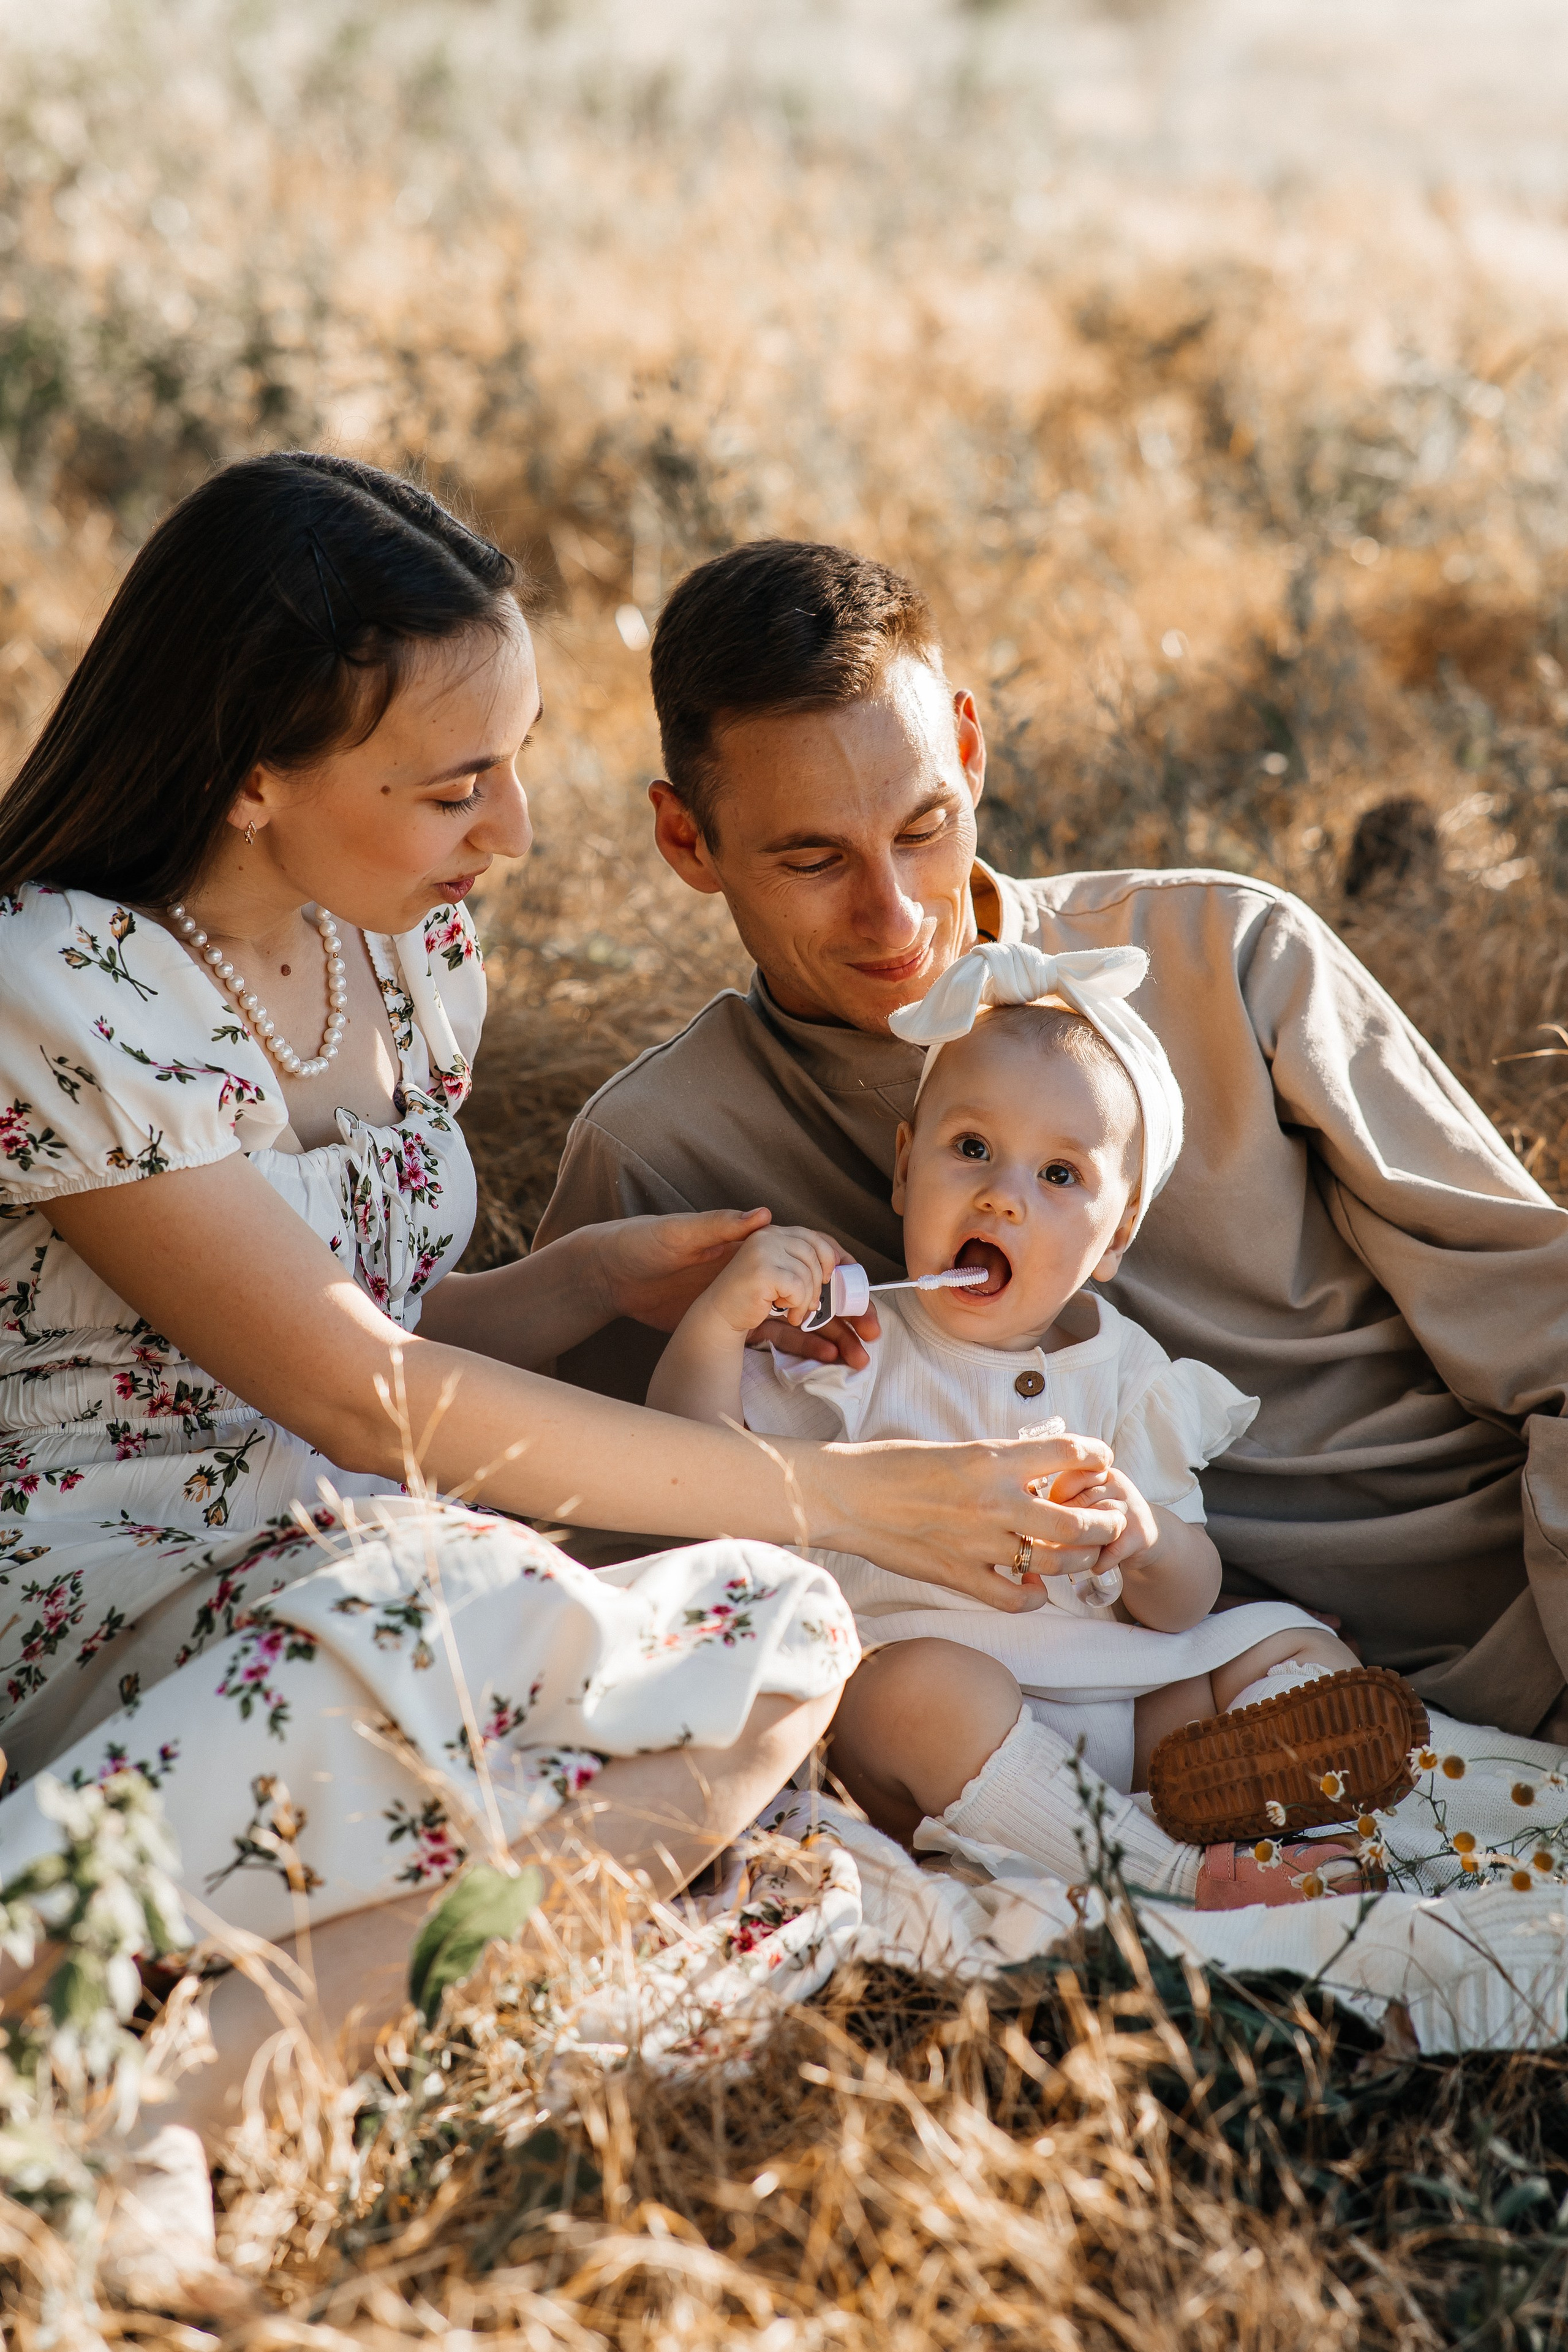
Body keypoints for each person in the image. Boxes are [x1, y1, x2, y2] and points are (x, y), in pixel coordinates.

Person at [0, 458, 1125, 2187]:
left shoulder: (396, 951)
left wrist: (586, 1284)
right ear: (250, 776)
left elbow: (343, 1316)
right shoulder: (59, 986)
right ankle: (94, 2024)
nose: (514, 831)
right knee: (512, 1600)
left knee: (781, 1638)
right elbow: (362, 1391)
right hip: (104, 1601)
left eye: (516, 761)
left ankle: (170, 2101)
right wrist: (840, 1495)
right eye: (458, 786)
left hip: (327, 1552)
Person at [533, 538, 1568, 1741]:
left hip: (1516, 1616)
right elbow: (617, 1560)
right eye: (812, 859)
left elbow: (1538, 1321)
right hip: (1134, 1729)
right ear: (687, 842)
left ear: (969, 750)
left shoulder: (1227, 955)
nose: (893, 914)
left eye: (925, 826)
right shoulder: (659, 1158)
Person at [650, 938, 1425, 1906]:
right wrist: (718, 1321)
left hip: (1125, 1702)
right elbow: (688, 1482)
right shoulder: (850, 1345)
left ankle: (1261, 1807)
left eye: (1060, 1175)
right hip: (929, 1730)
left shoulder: (1129, 1375)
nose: (1001, 1196)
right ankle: (1172, 1875)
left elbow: (1183, 1604)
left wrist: (1146, 1541)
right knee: (921, 1694)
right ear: (906, 1170)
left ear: (1117, 1234)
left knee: (1282, 1639)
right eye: (972, 1149)